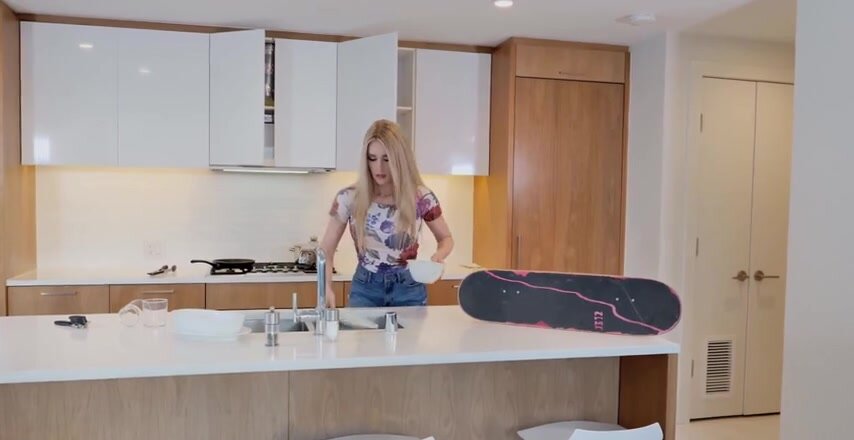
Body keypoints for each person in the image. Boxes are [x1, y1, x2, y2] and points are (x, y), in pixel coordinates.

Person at [319, 119, 454, 307]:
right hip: (365, 289)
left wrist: (439, 255)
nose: (379, 168)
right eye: (372, 158)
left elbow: (446, 238)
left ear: (400, 160)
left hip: (409, 288)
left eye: (387, 159)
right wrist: (325, 287)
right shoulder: (349, 198)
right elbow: (326, 250)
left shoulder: (421, 197)